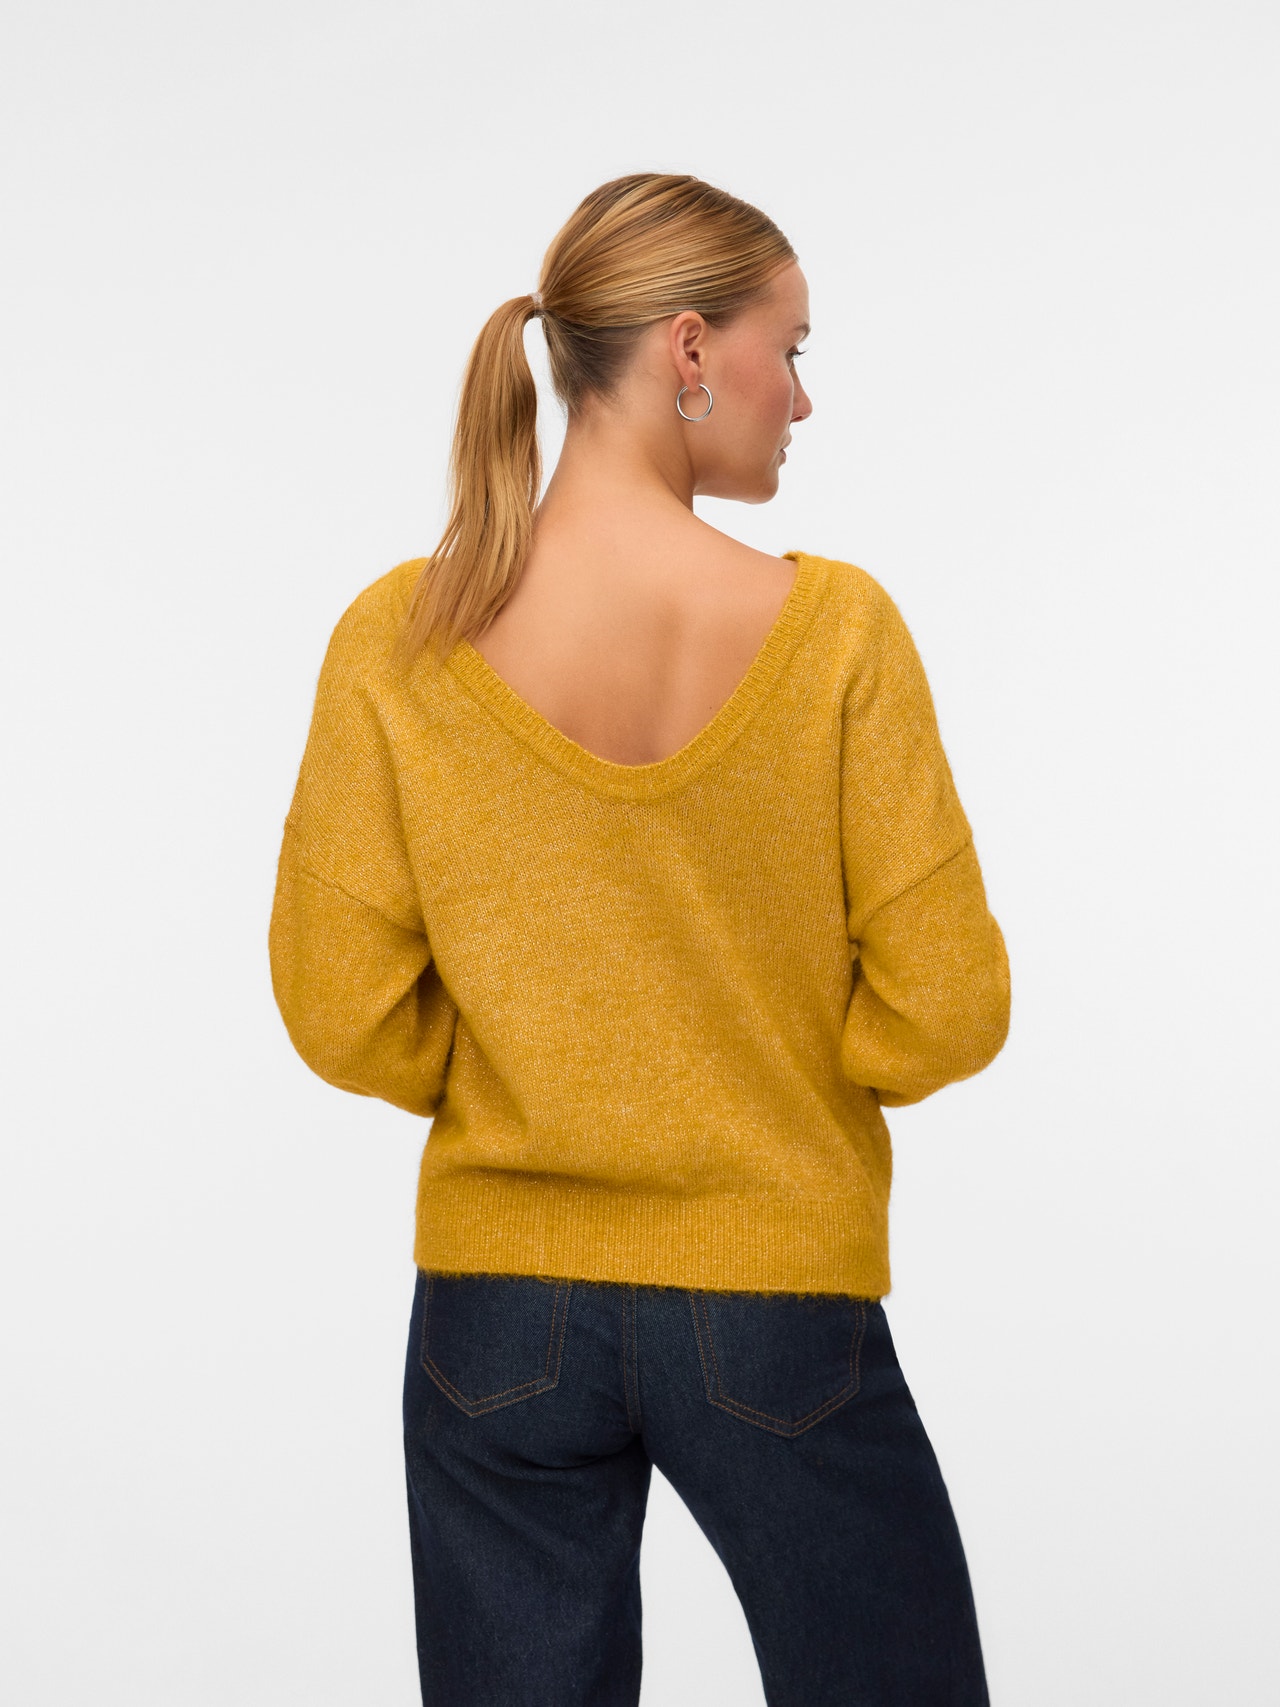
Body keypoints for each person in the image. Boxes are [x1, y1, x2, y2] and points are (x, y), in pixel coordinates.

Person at [269, 171, 1011, 1707]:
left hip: (496, 1311)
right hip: (774, 1293)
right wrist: (785, 1070)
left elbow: (341, 1007)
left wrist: (534, 1077)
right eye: (787, 350)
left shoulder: (399, 638)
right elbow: (946, 1006)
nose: (801, 397)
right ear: (688, 350)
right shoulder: (837, 635)